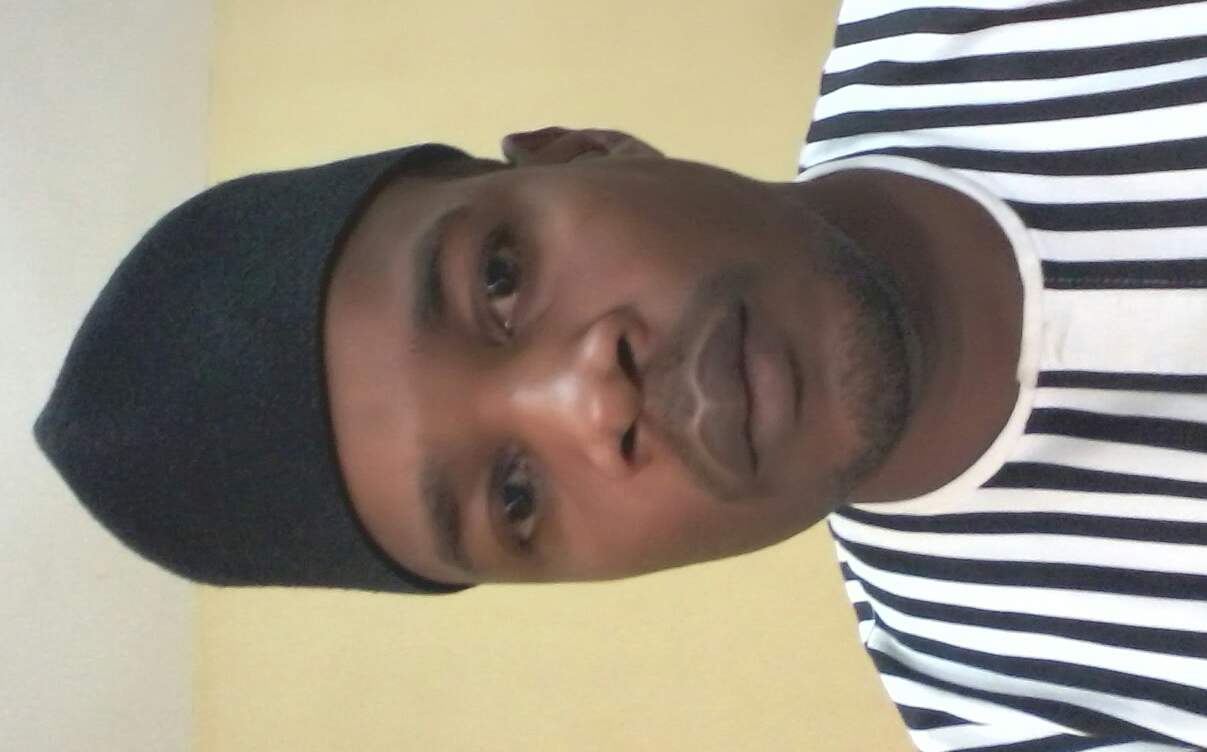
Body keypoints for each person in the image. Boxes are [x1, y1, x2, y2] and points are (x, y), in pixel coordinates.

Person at [35, 0, 1207, 749]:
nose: (592, 400)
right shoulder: (1015, 708)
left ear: (580, 150)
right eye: (513, 496)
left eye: (498, 280)